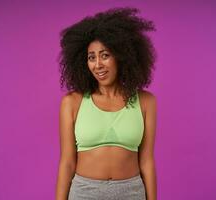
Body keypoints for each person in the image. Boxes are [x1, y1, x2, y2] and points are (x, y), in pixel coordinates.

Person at [56, 7, 158, 200]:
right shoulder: (72, 103)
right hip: (85, 192)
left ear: (121, 56)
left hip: (131, 192)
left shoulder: (146, 102)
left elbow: (147, 161)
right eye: (91, 57)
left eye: (105, 55)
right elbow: (67, 163)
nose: (97, 64)